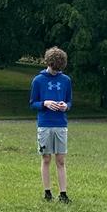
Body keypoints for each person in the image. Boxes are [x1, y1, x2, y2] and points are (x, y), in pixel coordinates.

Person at [29, 47, 73, 203]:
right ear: (49, 63)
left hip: (60, 124)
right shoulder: (38, 80)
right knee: (46, 158)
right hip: (45, 124)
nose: (55, 71)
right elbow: (33, 103)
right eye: (54, 68)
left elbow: (69, 102)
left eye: (58, 69)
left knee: (60, 160)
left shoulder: (66, 80)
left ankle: (63, 193)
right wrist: (45, 103)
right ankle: (47, 191)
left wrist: (65, 106)